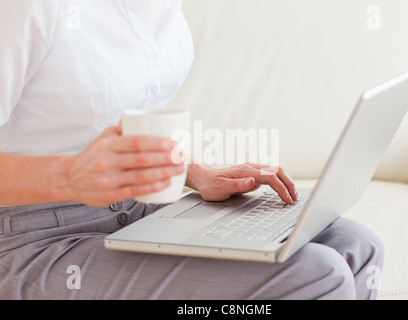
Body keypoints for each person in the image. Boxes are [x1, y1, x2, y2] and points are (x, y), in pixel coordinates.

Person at [0, 0, 383, 300]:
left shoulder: (162, 7)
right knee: (316, 275)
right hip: (31, 240)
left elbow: (123, 124)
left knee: (355, 247)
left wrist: (195, 172)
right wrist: (67, 177)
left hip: (134, 210)